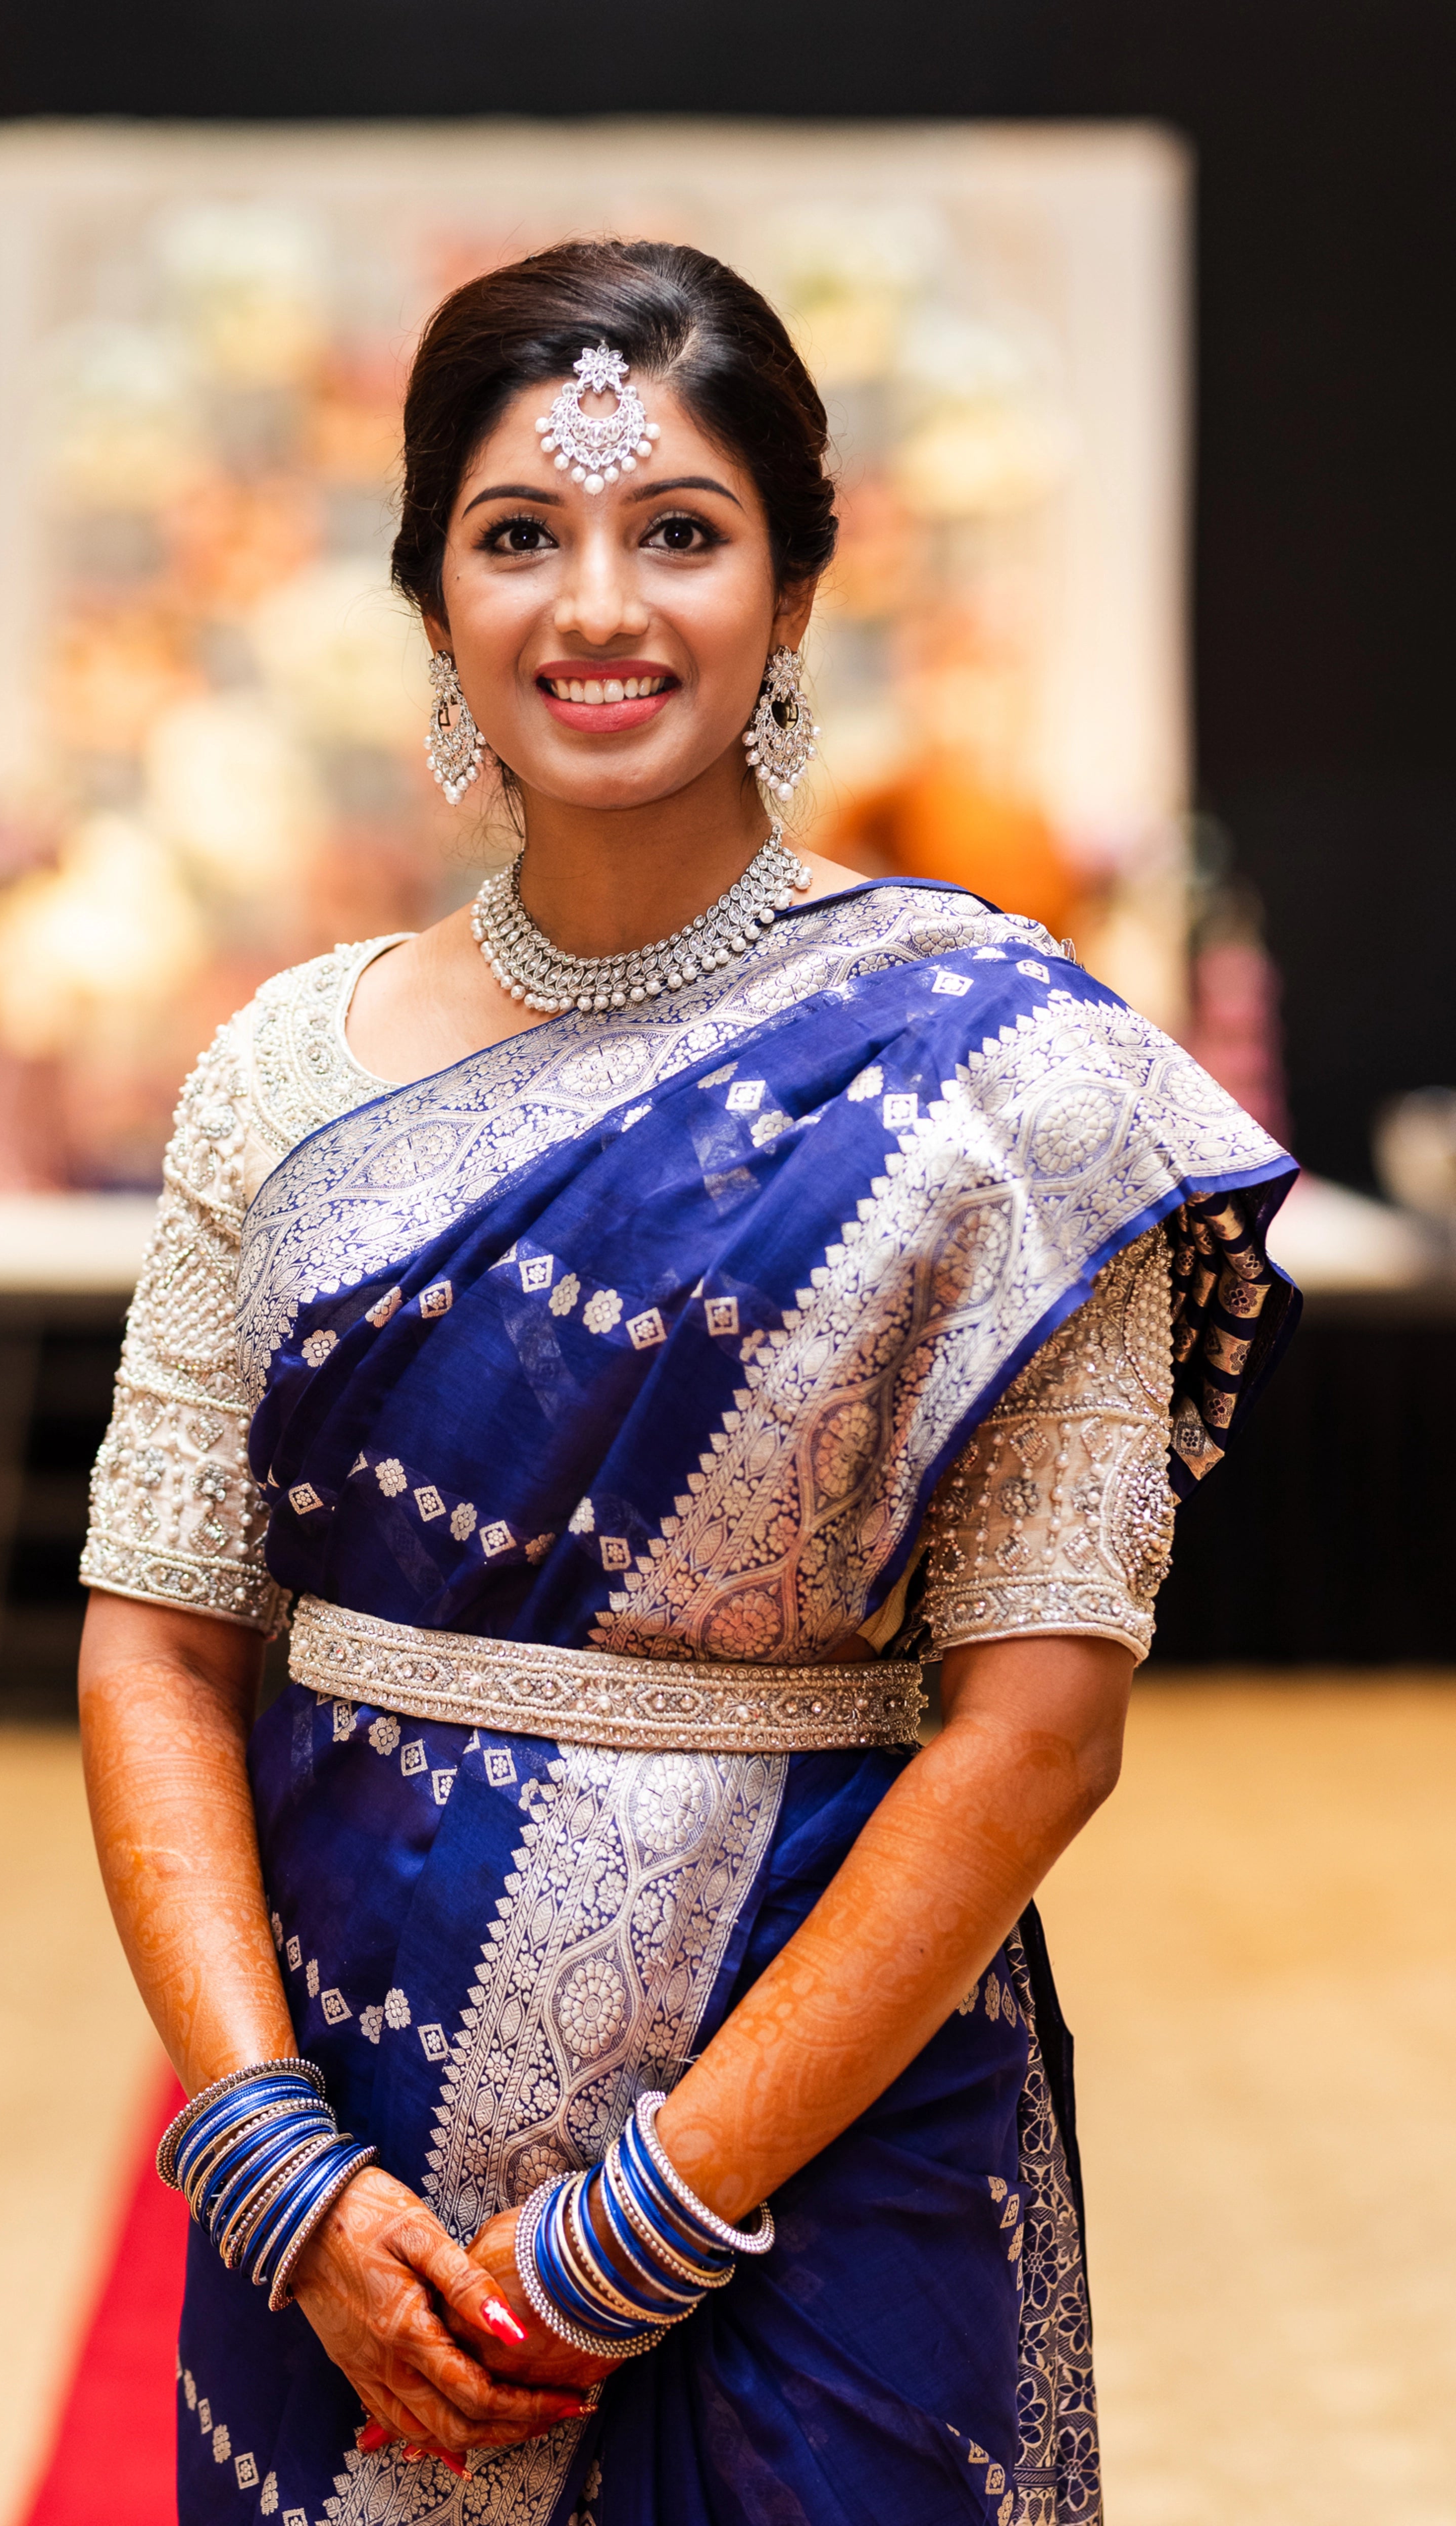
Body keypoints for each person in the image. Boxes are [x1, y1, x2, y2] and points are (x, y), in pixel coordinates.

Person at [78, 239, 1298, 2526]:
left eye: (679, 531)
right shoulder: (281, 1079)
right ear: (428, 594)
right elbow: (156, 1640)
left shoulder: (1007, 1083)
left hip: (820, 2173)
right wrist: (267, 2155)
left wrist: (649, 2214)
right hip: (346, 2154)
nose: (595, 605)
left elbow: (1039, 1727)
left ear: (795, 584)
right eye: (516, 533)